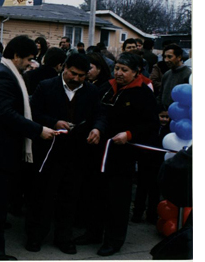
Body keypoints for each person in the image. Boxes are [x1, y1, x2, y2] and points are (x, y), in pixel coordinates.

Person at [0, 35, 57, 260]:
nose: (31, 64)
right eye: (29, 59)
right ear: (16, 56)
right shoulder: (4, 76)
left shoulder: (7, 73)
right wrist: (38, 130)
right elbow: (7, 114)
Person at [74, 52, 160, 257]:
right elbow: (97, 112)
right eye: (117, 68)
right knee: (96, 195)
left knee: (117, 200)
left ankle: (114, 240)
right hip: (99, 150)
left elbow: (151, 125)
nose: (119, 73)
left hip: (122, 155)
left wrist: (129, 134)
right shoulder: (106, 87)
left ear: (136, 72)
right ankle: (94, 232)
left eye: (125, 70)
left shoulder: (143, 93)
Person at [25, 54, 106, 255]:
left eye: (81, 76)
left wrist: (97, 128)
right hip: (49, 151)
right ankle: (36, 236)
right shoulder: (46, 86)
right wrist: (53, 122)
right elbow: (34, 113)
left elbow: (100, 114)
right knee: (43, 195)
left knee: (70, 196)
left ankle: (64, 237)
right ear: (64, 68)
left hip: (77, 152)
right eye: (73, 73)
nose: (76, 79)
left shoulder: (91, 91)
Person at [158, 44, 191, 109]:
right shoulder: (167, 74)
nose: (166, 60)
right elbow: (160, 96)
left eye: (169, 57)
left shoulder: (188, 74)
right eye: (165, 57)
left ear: (179, 57)